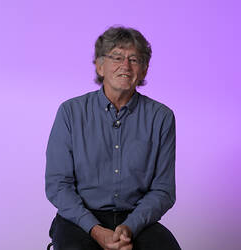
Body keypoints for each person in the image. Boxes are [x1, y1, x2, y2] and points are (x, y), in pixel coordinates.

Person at [45, 26, 181, 250]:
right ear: (100, 66)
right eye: (117, 57)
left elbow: (163, 190)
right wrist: (96, 230)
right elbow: (58, 185)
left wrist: (129, 228)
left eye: (134, 59)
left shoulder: (161, 118)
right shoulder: (70, 112)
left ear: (145, 69)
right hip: (81, 219)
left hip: (136, 219)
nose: (125, 66)